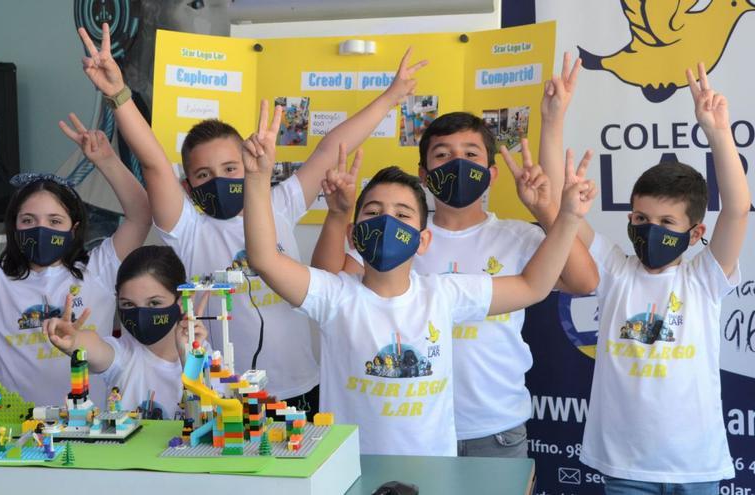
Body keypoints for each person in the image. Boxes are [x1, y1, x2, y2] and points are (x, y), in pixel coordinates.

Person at [75, 23, 428, 411]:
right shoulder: (186, 228)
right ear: (188, 187)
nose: (220, 180)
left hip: (302, 388)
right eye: (204, 175)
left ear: (248, 165)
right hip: (225, 397)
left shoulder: (279, 202)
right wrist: (119, 96)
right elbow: (154, 163)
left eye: (231, 168)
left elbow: (330, 149)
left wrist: (391, 96)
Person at [240, 103, 597, 456]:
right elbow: (265, 259)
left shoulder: (444, 292)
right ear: (353, 233)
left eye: (402, 214)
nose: (387, 222)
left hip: (456, 453)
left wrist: (564, 216)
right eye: (374, 212)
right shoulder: (335, 295)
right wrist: (256, 179)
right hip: (353, 463)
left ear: (422, 240)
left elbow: (535, 285)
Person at [542, 63, 749, 492]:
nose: (650, 229)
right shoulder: (615, 269)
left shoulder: (704, 278)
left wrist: (718, 133)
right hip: (625, 469)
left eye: (666, 221)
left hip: (697, 469)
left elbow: (735, 208)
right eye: (640, 217)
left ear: (696, 234)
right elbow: (558, 197)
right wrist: (553, 120)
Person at [0, 111, 150, 405]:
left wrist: (107, 160)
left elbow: (140, 216)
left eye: (55, 221)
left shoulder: (99, 270)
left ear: (73, 228)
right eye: (28, 220)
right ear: (14, 226)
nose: (41, 229)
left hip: (91, 423)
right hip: (16, 429)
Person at [44, 245, 207, 420]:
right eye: (128, 304)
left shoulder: (207, 358)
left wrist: (188, 359)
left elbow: (207, 419)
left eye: (154, 303)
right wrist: (74, 340)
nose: (141, 314)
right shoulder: (123, 354)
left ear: (182, 301)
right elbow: (95, 347)